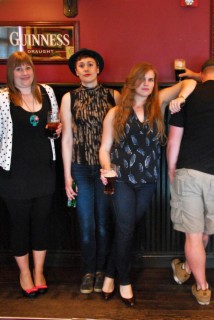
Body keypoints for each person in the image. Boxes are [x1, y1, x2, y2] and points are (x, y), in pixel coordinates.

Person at [99, 62, 196, 307]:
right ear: (132, 81)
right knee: (126, 229)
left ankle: (109, 273)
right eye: (142, 79)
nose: (146, 84)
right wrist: (106, 168)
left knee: (126, 229)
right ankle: (124, 280)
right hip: (120, 179)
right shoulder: (116, 112)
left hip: (148, 181)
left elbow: (190, 82)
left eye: (151, 80)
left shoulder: (158, 103)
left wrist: (181, 97)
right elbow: (104, 148)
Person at [167, 58, 214, 305]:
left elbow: (174, 140)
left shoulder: (188, 97)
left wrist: (170, 168)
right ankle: (187, 268)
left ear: (202, 74)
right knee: (203, 233)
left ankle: (202, 287)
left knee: (193, 234)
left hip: (189, 171)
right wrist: (195, 74)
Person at [0, 51, 61, 297]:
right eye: (19, 69)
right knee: (19, 225)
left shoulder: (46, 92)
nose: (25, 73)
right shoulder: (3, 99)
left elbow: (53, 125)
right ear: (11, 73)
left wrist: (56, 133)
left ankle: (39, 271)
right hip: (14, 175)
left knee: (41, 224)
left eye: (28, 68)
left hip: (44, 171)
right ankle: (25, 273)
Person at [60, 48, 121, 294]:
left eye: (90, 64)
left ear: (98, 69)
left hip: (105, 170)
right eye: (81, 65)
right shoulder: (69, 98)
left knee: (105, 224)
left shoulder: (113, 96)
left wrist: (116, 167)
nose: (86, 68)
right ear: (76, 71)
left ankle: (103, 271)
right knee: (86, 223)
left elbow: (121, 135)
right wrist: (67, 176)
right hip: (80, 168)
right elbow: (66, 138)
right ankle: (88, 270)